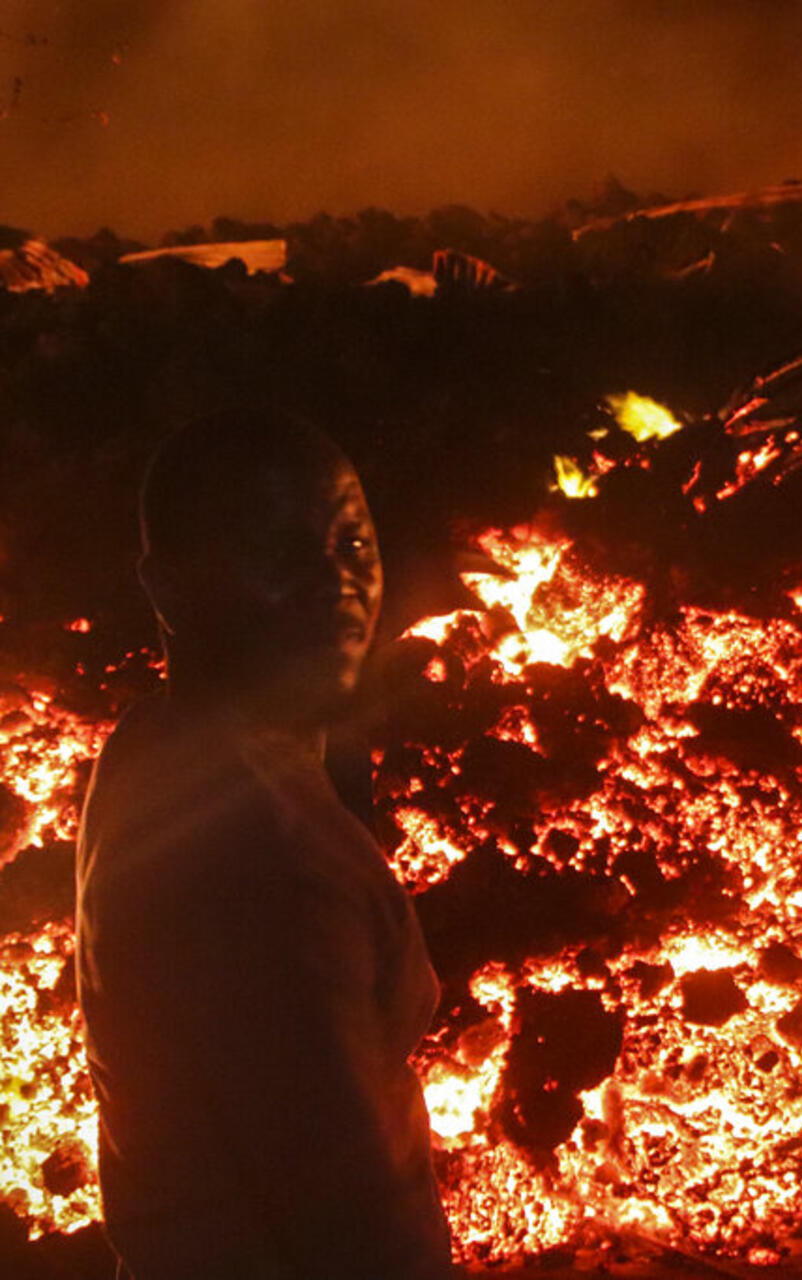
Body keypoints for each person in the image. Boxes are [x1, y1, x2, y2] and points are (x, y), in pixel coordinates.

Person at [75, 408, 454, 1280]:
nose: (335, 583)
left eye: (352, 546)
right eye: (280, 553)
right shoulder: (259, 845)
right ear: (170, 591)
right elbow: (346, 1209)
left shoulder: (161, 748)